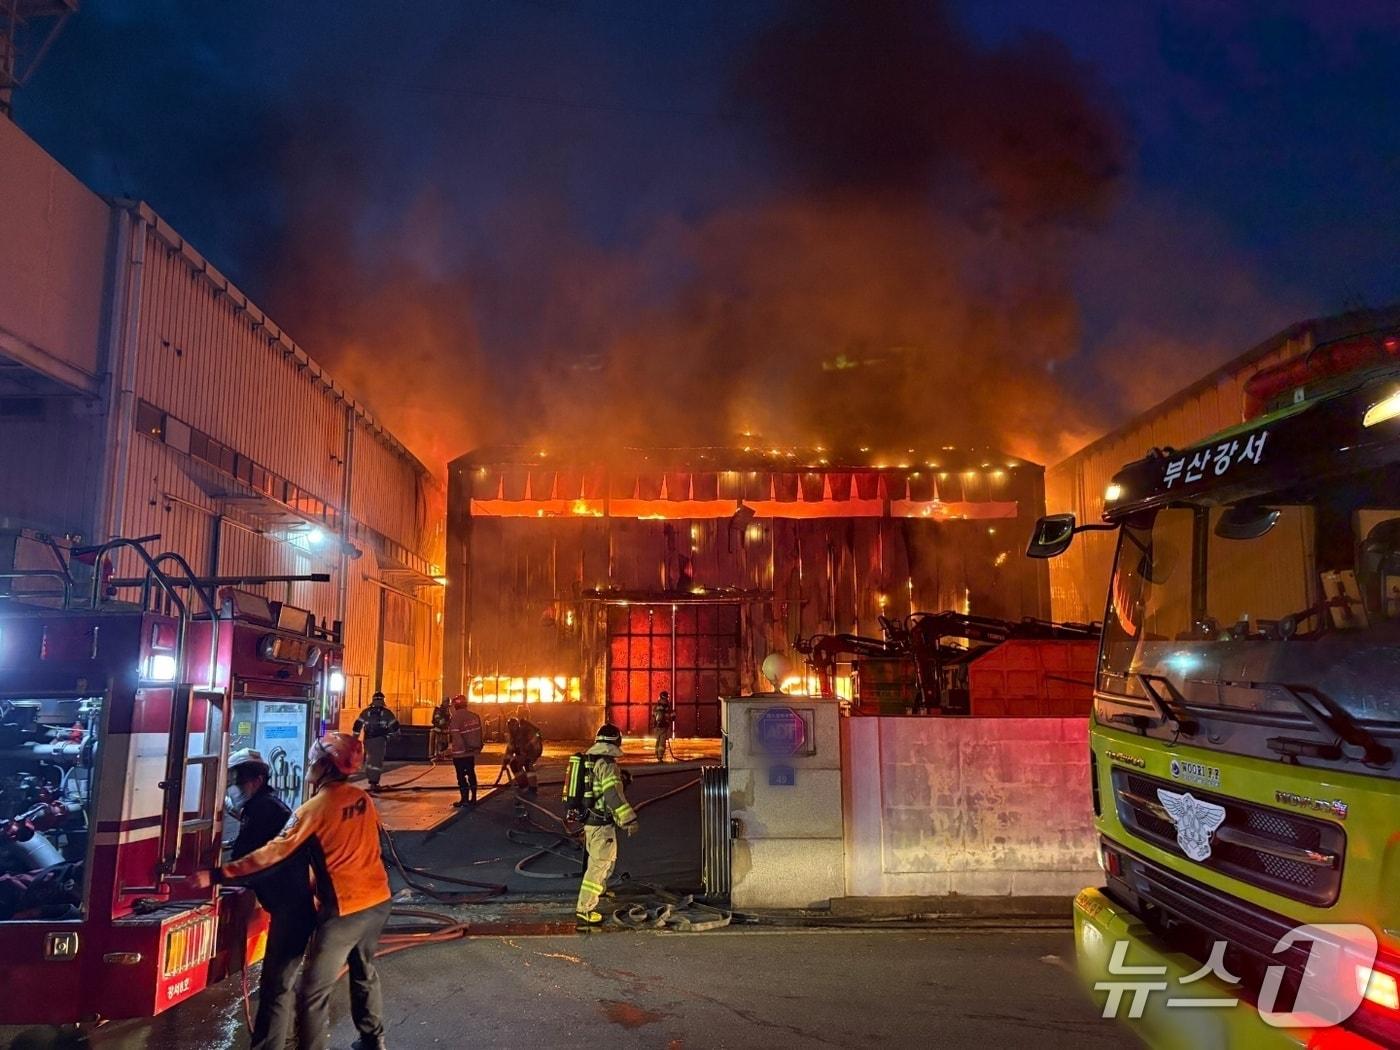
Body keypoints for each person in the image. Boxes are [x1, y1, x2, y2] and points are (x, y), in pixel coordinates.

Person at [200, 733, 393, 1050]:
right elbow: (359, 848)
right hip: (378, 902)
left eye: (314, 760)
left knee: (311, 993)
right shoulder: (362, 799)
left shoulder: (313, 809)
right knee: (364, 970)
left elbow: (272, 853)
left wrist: (218, 874)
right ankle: (374, 1040)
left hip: (345, 911)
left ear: (325, 765)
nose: (309, 765)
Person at [225, 747, 316, 1050]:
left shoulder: (264, 810)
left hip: (291, 910)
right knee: (278, 984)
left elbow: (244, 857)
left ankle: (270, 1045)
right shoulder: (267, 807)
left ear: (258, 779)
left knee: (276, 986)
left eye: (240, 781)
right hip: (291, 907)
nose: (236, 787)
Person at [575, 723, 638, 927]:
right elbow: (612, 796)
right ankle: (585, 909)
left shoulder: (590, 761)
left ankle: (600, 890)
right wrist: (628, 819)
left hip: (591, 823)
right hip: (602, 825)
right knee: (599, 865)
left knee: (607, 861)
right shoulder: (607, 765)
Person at [352, 692, 400, 792]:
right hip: (379, 740)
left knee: (370, 760)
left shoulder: (366, 712)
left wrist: (354, 738)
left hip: (368, 740)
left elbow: (357, 725)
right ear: (383, 701)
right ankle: (374, 782)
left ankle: (371, 779)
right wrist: (396, 737)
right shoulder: (387, 713)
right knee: (376, 762)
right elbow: (395, 727)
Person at [446, 694, 483, 808]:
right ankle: (474, 798)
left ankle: (464, 799)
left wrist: (451, 751)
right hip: (471, 752)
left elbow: (456, 736)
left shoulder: (455, 718)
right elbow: (480, 734)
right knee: (471, 773)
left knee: (461, 777)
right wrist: (476, 746)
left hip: (460, 754)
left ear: (455, 706)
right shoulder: (475, 716)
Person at [503, 715, 543, 795]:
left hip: (533, 750)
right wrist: (505, 762)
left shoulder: (525, 731)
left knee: (528, 764)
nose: (511, 729)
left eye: (513, 726)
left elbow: (538, 734)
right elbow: (510, 750)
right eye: (510, 727)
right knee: (514, 764)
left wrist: (531, 743)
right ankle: (523, 784)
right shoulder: (512, 737)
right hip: (524, 752)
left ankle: (533, 787)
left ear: (517, 725)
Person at [651, 690, 674, 762]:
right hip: (663, 726)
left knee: (658, 740)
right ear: (666, 697)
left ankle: (657, 754)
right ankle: (660, 756)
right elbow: (673, 716)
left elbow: (653, 714)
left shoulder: (656, 705)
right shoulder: (667, 705)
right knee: (662, 742)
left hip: (657, 726)